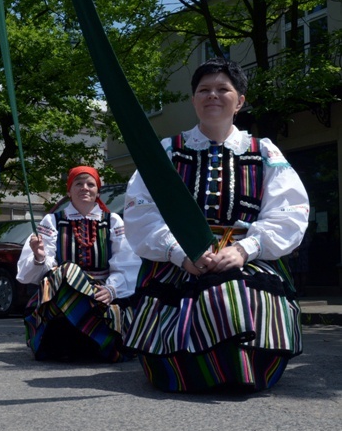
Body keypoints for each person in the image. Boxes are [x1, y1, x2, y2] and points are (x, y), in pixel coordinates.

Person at [122, 58, 310, 392]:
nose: (213, 96)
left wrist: (245, 249)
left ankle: (240, 367)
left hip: (247, 259)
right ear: (194, 100)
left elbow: (289, 212)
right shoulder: (167, 152)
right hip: (180, 262)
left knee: (238, 290)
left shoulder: (263, 152)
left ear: (240, 101)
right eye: (203, 90)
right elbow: (142, 213)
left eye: (223, 89)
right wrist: (181, 253)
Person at [16, 166, 141, 362]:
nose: (85, 188)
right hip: (62, 297)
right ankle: (90, 337)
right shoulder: (53, 221)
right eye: (78, 184)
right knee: (66, 270)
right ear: (69, 191)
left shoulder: (113, 221)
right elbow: (28, 276)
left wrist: (111, 290)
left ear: (97, 192)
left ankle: (96, 337)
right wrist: (39, 256)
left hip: (101, 296)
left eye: (90, 184)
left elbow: (127, 263)